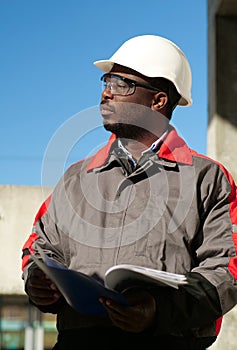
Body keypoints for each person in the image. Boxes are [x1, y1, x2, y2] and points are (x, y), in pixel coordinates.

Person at [21, 34, 237, 349]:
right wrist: (37, 281)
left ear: (158, 100)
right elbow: (38, 248)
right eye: (107, 81)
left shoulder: (208, 179)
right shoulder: (75, 178)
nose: (107, 93)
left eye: (122, 84)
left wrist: (159, 312)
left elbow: (228, 268)